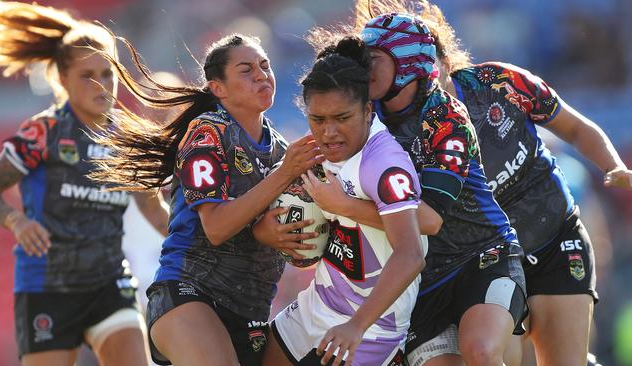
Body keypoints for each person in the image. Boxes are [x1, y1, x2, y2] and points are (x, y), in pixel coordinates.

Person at [352, 1, 632, 365]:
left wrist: (613, 167)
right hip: (480, 260)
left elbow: (576, 128)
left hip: (553, 239)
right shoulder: (393, 131)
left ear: (439, 62)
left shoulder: (501, 83)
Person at [306, 10, 529, 366]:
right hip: (423, 280)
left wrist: (344, 205)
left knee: (482, 351)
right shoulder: (363, 112)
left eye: (373, 59)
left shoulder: (446, 117)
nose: (364, 68)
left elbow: (429, 220)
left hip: (482, 257)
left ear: (409, 62)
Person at [88, 33, 323, 366]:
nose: (261, 74)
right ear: (218, 88)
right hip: (190, 295)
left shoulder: (281, 149)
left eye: (265, 65)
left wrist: (296, 240)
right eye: (246, 69)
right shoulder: (207, 132)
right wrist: (284, 174)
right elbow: (216, 227)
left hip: (251, 310)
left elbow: (282, 235)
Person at [0, 2, 170, 366]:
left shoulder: (126, 139)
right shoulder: (43, 132)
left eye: (108, 73)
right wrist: (16, 221)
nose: (101, 85)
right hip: (47, 286)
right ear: (63, 80)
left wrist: (193, 248)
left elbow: (153, 208)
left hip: (110, 282)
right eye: (88, 75)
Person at [258, 37, 427, 366]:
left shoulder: (384, 165)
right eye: (318, 120)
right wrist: (266, 231)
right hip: (316, 304)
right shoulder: (314, 150)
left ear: (366, 111)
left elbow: (411, 255)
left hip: (371, 325)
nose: (329, 132)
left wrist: (356, 326)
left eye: (342, 118)